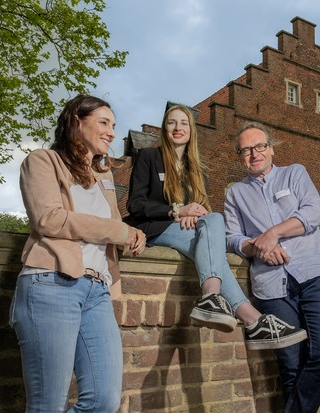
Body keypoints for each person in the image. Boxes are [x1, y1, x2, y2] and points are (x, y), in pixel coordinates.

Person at [126, 105, 306, 350]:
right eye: (172, 123)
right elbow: (135, 204)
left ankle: (214, 299)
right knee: (214, 251)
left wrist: (195, 213)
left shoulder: (198, 170)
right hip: (154, 228)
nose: (178, 128)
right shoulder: (149, 156)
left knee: (214, 221)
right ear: (164, 128)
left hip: (187, 228)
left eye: (184, 123)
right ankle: (249, 318)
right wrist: (178, 211)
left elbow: (202, 209)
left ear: (192, 130)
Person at [9, 94, 147, 412]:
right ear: (76, 121)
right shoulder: (42, 161)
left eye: (113, 124)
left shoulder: (104, 177)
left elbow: (111, 226)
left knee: (104, 400)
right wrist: (121, 232)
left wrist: (133, 233)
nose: (112, 131)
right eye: (103, 122)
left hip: (97, 292)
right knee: (48, 404)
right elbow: (50, 219)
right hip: (50, 283)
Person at [224, 121, 320, 413]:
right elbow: (232, 238)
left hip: (313, 274)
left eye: (260, 146)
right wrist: (259, 247)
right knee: (291, 364)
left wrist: (273, 233)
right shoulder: (235, 193)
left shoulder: (295, 173)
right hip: (270, 285)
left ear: (271, 148)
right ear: (240, 156)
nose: (254, 154)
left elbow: (313, 213)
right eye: (246, 150)